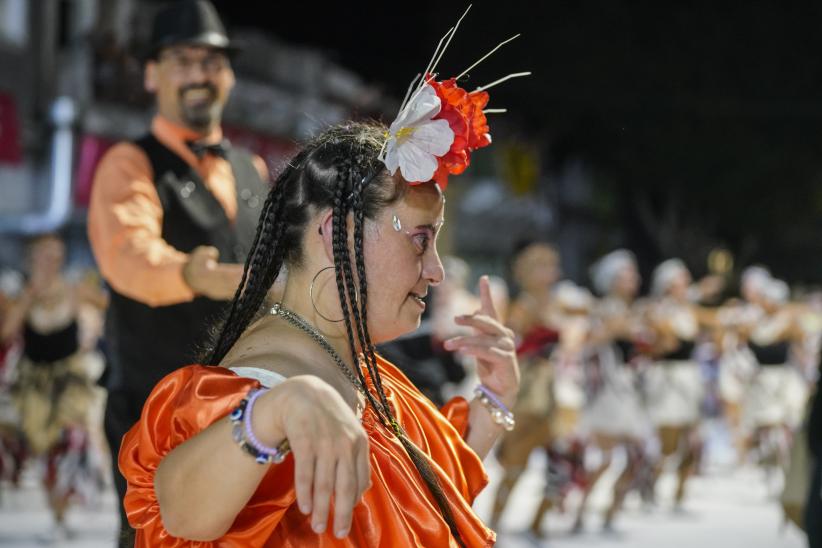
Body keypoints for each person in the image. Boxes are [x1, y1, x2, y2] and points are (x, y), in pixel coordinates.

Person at [119, 38, 524, 541]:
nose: (437, 271)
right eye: (421, 240)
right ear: (335, 234)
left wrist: (494, 398)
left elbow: (420, 496)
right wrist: (274, 412)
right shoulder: (266, 381)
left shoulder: (346, 364)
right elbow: (179, 512)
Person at [87, 1, 270, 542]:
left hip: (243, 411)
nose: (198, 74)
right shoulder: (129, 162)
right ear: (152, 74)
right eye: (182, 60)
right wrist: (200, 276)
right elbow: (130, 259)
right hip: (155, 410)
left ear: (229, 76)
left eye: (211, 62)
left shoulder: (251, 169)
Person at [1, 234, 107, 542]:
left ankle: (83, 488)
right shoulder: (22, 295)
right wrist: (27, 299)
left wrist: (94, 325)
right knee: (43, 448)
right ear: (32, 260)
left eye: (56, 256)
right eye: (45, 256)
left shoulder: (74, 290)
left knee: (70, 438)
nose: (52, 263)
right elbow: (6, 334)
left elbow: (110, 306)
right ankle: (57, 515)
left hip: (70, 379)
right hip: (33, 382)